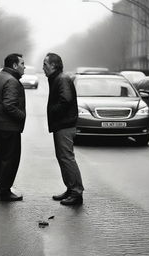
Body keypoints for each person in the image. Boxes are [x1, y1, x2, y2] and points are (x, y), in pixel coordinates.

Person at [43, 53, 84, 206]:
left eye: (45, 64)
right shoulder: (57, 79)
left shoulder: (62, 79)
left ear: (53, 65)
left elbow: (66, 100)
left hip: (65, 125)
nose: (43, 67)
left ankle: (76, 192)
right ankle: (70, 188)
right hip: (62, 125)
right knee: (63, 158)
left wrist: (53, 111)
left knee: (66, 158)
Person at [0, 53, 26, 202]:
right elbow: (9, 105)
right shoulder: (12, 81)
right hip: (9, 127)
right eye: (22, 64)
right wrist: (22, 116)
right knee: (10, 159)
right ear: (14, 65)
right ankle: (4, 191)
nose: (24, 67)